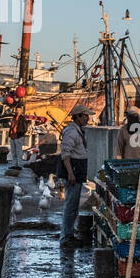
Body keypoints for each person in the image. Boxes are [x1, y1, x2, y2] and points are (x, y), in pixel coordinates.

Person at [57, 104, 92, 248]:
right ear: (77, 117)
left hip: (77, 173)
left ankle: (69, 233)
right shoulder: (72, 132)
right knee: (70, 206)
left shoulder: (78, 131)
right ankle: (66, 237)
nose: (87, 118)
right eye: (85, 116)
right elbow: (65, 153)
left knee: (73, 206)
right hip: (73, 173)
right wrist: (70, 173)